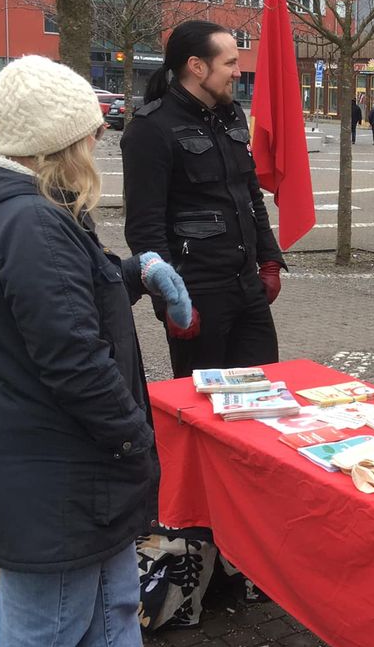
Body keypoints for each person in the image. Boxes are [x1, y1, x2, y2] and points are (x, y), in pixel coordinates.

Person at [0, 55, 195, 647]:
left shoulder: (35, 213)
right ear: (60, 140)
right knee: (38, 646)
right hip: (59, 476)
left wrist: (134, 273)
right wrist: (138, 444)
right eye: (90, 129)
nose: (100, 138)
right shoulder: (31, 223)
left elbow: (68, 307)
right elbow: (74, 361)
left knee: (109, 629)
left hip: (72, 471)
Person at [121, 20, 285, 378]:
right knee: (203, 402)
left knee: (263, 392)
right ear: (197, 66)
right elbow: (144, 228)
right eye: (230, 63)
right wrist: (170, 301)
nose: (238, 72)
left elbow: (250, 195)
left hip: (247, 289)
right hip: (197, 294)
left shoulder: (232, 115)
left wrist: (270, 261)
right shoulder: (150, 129)